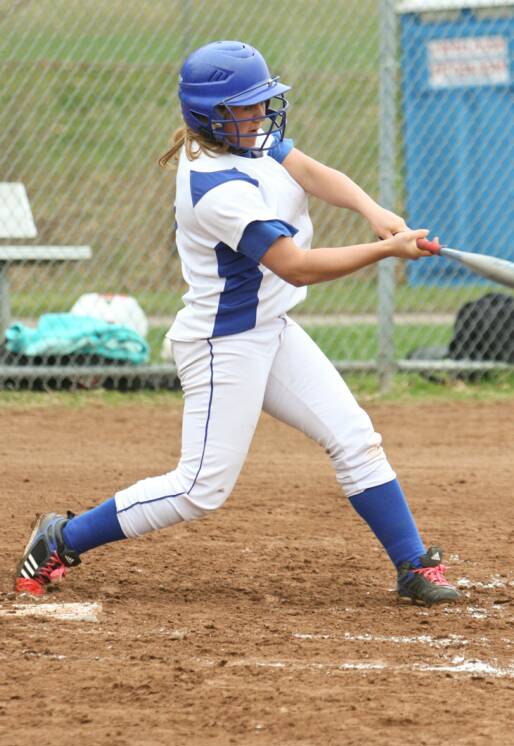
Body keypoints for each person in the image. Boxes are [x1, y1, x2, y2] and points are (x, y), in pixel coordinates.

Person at [14, 40, 459, 607]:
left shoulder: (252, 142)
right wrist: (386, 251)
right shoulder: (215, 188)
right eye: (245, 107)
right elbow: (294, 268)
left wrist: (374, 213)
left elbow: (313, 171)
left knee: (355, 439)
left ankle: (413, 565)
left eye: (262, 101)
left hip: (271, 329)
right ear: (209, 116)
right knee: (201, 488)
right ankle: (61, 538)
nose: (260, 115)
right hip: (223, 344)